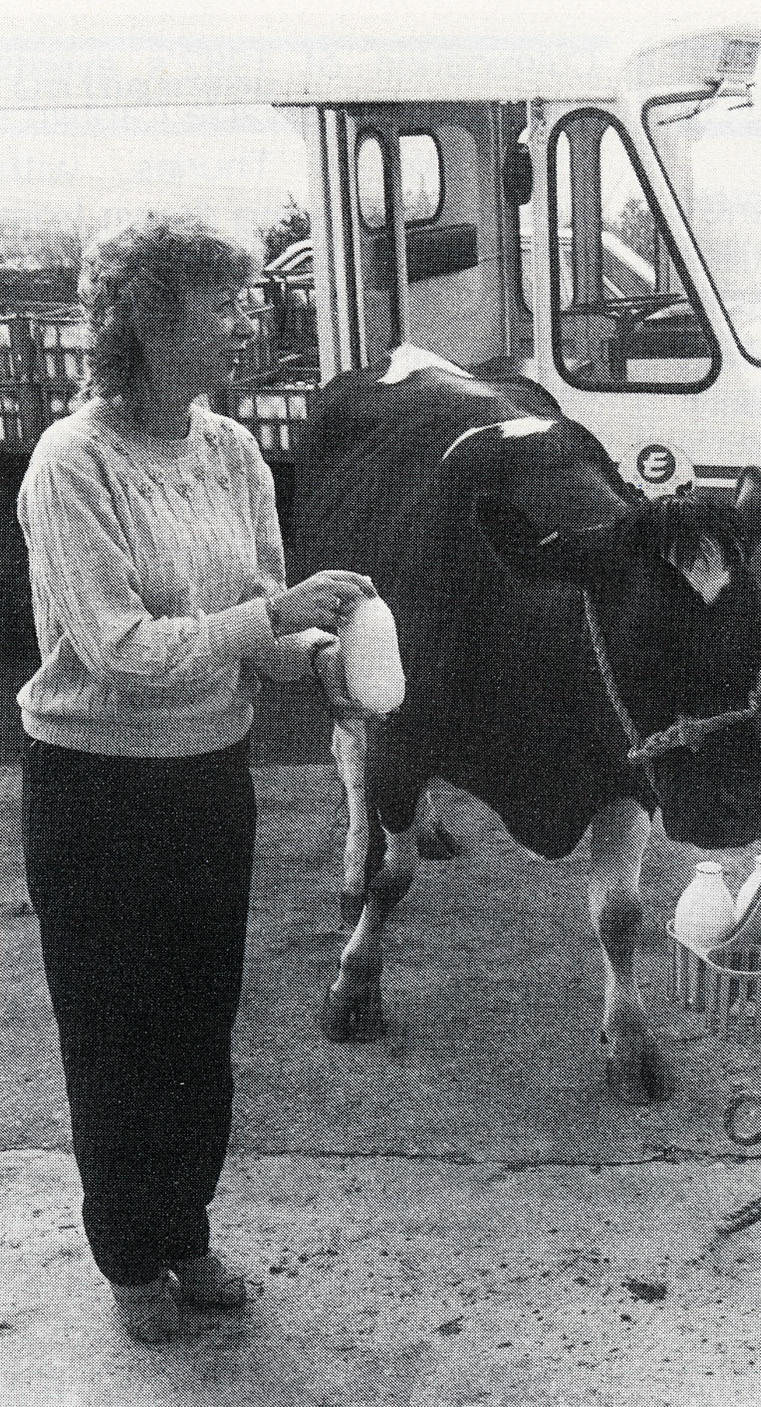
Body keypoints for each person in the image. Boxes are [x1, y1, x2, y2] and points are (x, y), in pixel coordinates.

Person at [15, 212, 376, 1344]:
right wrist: (269, 613)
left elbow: (251, 630)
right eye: (221, 301)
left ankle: (185, 1230)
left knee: (196, 1025)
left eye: (244, 296)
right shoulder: (73, 465)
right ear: (148, 319)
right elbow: (122, 651)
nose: (247, 316)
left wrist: (325, 654)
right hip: (97, 789)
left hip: (207, 781)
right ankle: (129, 1255)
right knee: (116, 1034)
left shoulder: (224, 450)